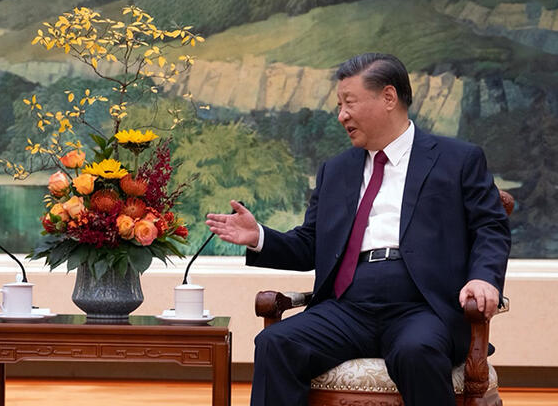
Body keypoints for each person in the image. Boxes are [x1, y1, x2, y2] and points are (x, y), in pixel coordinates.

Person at [206, 53, 510, 406]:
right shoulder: (335, 170)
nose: (341, 115)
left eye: (348, 103)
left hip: (422, 307)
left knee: (417, 351)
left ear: (388, 98)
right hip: (347, 308)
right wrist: (258, 236)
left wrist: (484, 278)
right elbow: (310, 245)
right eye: (338, 105)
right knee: (276, 342)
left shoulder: (457, 159)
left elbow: (490, 226)